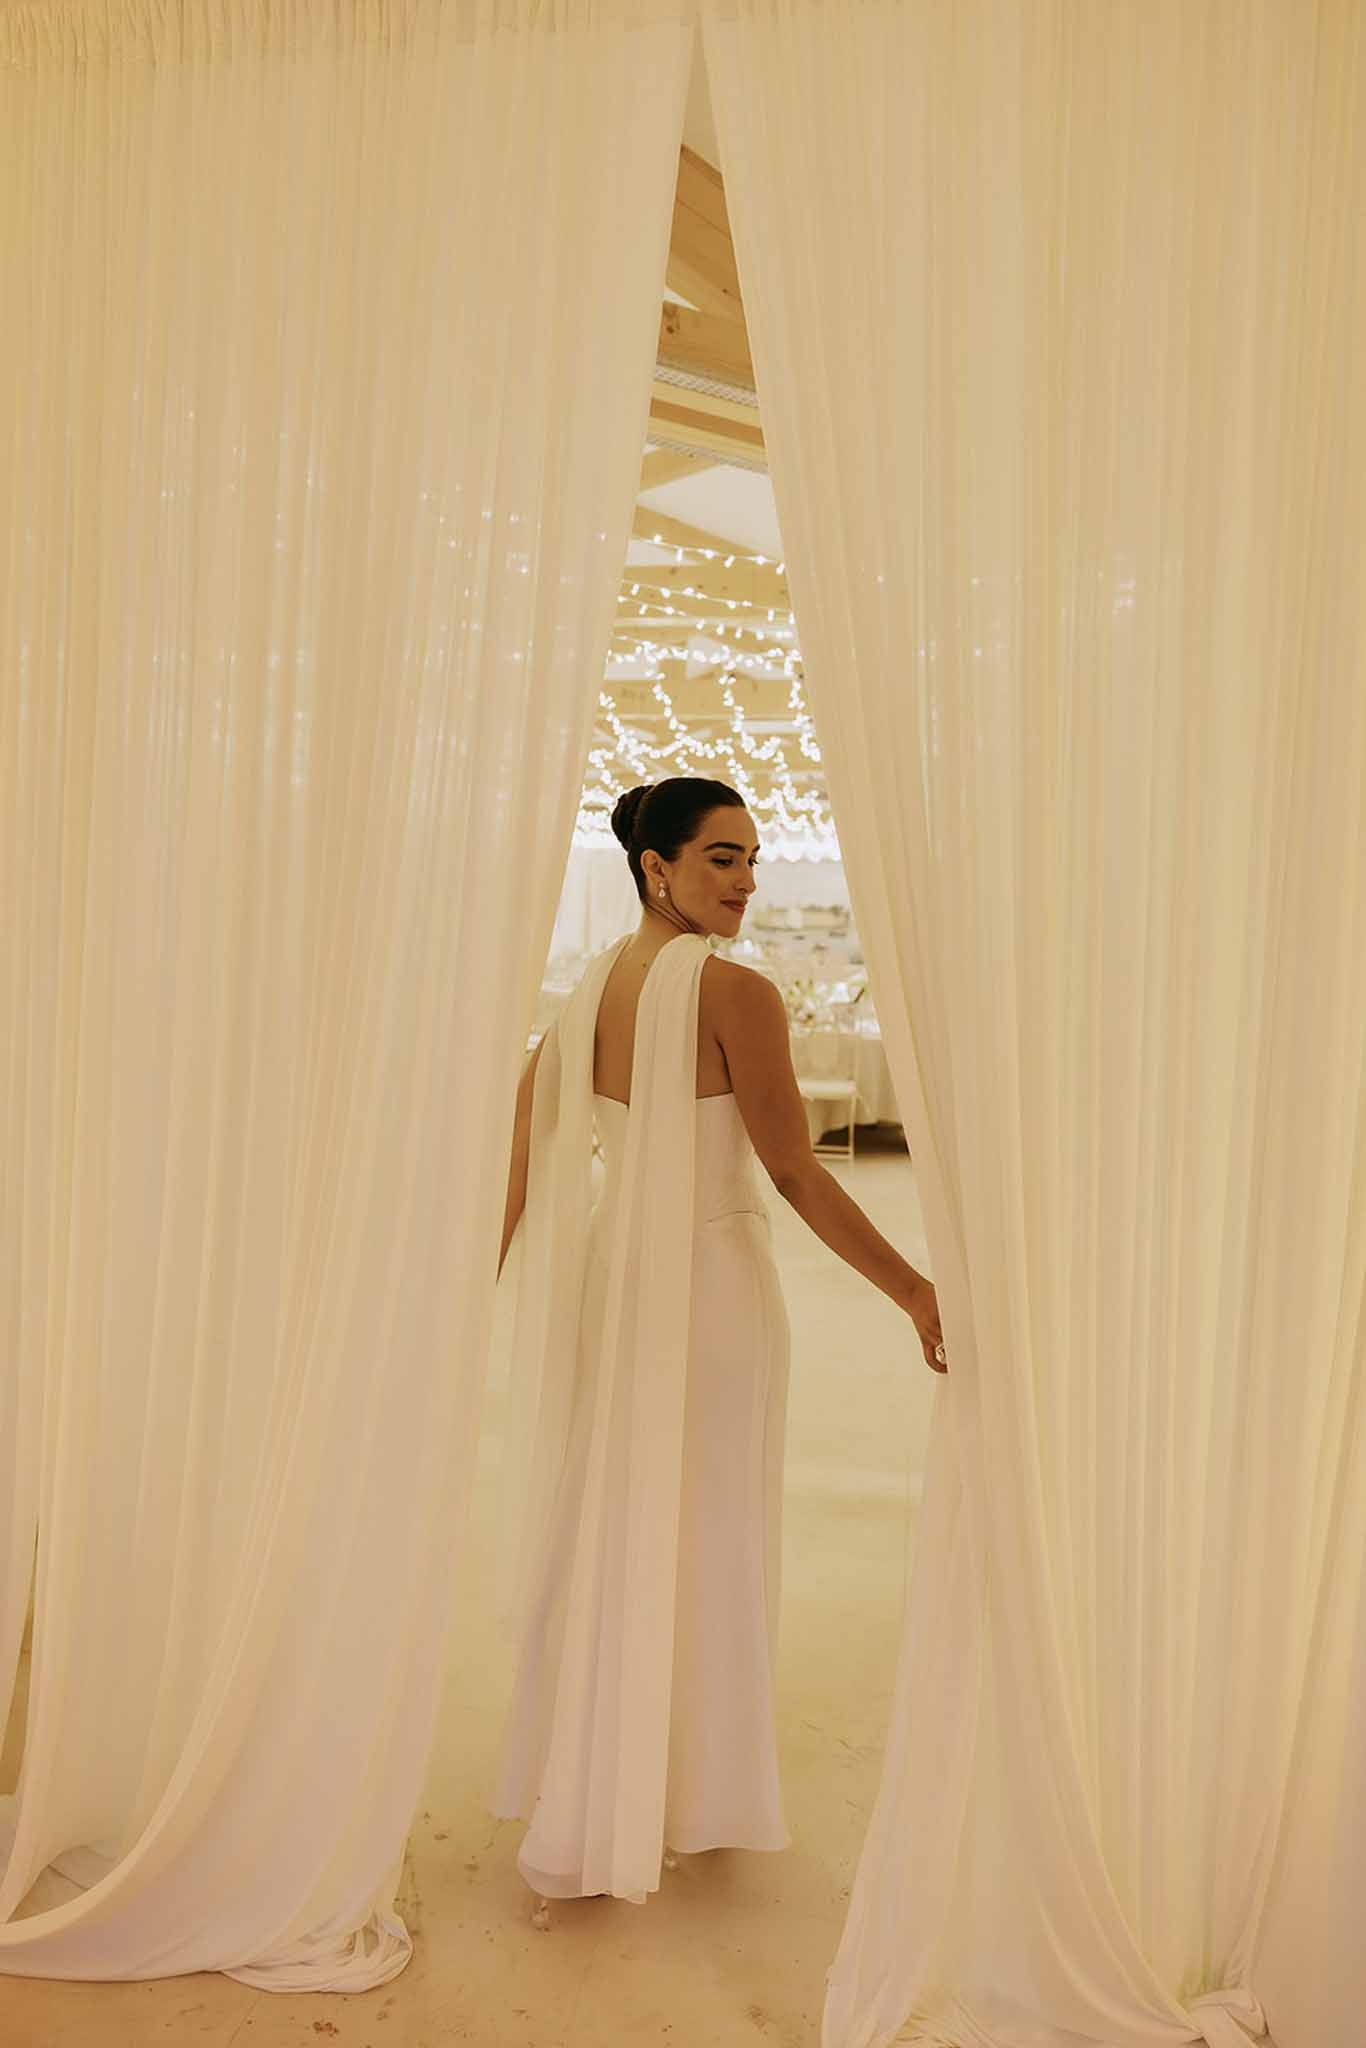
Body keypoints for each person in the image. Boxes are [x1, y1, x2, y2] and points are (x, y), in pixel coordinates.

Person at [492, 776, 945, 1923]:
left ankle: (604, 1777)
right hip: (709, 1289)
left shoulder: (583, 988)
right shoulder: (734, 992)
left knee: (618, 1516)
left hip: (613, 1280)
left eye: (751, 858)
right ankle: (687, 1791)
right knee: (708, 1527)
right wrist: (911, 1288)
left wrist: (467, 1286)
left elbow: (518, 1139)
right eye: (720, 859)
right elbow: (794, 1171)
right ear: (656, 867)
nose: (746, 880)